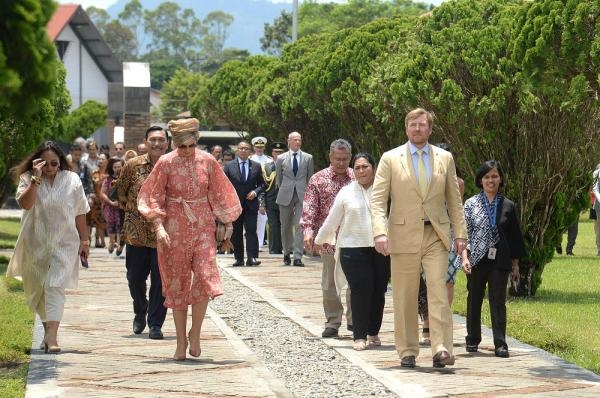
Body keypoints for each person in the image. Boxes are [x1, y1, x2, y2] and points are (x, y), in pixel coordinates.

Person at [370, 108, 467, 369]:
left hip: (435, 234)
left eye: (422, 125)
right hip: (402, 235)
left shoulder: (444, 158)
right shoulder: (390, 159)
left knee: (438, 290)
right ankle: (407, 350)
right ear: (406, 128)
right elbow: (378, 200)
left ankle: (441, 348)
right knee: (405, 295)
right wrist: (379, 231)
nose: (417, 129)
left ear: (430, 129)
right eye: (413, 124)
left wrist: (460, 234)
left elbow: (454, 201)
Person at [138, 118, 241, 360]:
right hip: (174, 226)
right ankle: (180, 342)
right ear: (174, 144)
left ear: (196, 142)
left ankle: (195, 333)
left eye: (190, 146)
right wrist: (158, 226)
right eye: (181, 146)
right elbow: (152, 195)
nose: (186, 151)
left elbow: (220, 192)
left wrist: (227, 222)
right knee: (178, 282)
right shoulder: (166, 162)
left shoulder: (207, 161)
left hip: (203, 224)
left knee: (204, 277)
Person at [7, 141, 90, 353]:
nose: (50, 167)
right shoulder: (28, 179)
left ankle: (52, 337)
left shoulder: (71, 180)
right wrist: (35, 177)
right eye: (46, 163)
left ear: (61, 162)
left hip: (65, 242)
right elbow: (25, 204)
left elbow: (80, 211)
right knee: (39, 289)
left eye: (54, 163)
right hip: (35, 242)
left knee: (55, 286)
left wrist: (85, 240)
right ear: (38, 163)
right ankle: (47, 332)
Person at [315, 153, 390, 350]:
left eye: (365, 166)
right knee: (359, 290)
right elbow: (333, 219)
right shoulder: (346, 192)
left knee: (378, 291)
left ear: (373, 168)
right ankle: (359, 335)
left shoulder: (384, 190)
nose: (361, 171)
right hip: (352, 248)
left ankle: (373, 331)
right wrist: (320, 240)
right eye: (357, 167)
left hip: (381, 248)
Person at [459, 160, 526, 358]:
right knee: (474, 299)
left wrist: (515, 266)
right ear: (480, 180)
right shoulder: (470, 204)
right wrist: (464, 257)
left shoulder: (508, 205)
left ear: (500, 179)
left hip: (500, 259)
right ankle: (472, 339)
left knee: (498, 301)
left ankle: (500, 343)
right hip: (476, 258)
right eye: (487, 177)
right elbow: (464, 233)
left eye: (495, 176)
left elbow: (515, 237)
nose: (491, 180)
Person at [116, 126, 169, 340]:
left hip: (163, 235)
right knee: (135, 278)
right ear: (146, 142)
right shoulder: (132, 165)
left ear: (167, 142)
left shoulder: (172, 165)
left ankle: (155, 323)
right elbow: (121, 193)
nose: (157, 143)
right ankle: (140, 310)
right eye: (153, 139)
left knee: (161, 280)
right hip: (136, 234)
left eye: (161, 140)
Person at [301, 139, 354, 337]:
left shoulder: (357, 177)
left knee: (354, 282)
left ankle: (354, 320)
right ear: (330, 157)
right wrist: (308, 231)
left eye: (345, 159)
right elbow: (310, 208)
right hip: (329, 240)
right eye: (337, 159)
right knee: (330, 283)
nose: (341, 163)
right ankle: (333, 321)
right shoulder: (318, 179)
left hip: (354, 239)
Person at [223, 140, 265, 266]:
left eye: (246, 149)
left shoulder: (256, 166)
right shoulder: (229, 166)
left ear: (250, 151)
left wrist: (255, 192)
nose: (243, 150)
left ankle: (252, 257)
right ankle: (239, 258)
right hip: (235, 205)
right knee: (236, 232)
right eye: (241, 148)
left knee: (251, 230)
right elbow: (224, 184)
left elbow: (262, 184)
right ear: (237, 150)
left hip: (251, 204)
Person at [276, 131, 314, 266]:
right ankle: (286, 252)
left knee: (299, 225)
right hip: (285, 194)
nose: (298, 142)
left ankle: (298, 256)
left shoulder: (308, 158)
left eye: (299, 139)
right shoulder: (281, 158)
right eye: (295, 140)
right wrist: (285, 188)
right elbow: (279, 179)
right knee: (285, 226)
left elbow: (310, 178)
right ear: (289, 141)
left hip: (302, 195)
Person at [262, 142, 286, 254]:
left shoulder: (288, 166)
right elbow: (263, 186)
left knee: (285, 224)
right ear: (272, 153)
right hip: (270, 199)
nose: (278, 154)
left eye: (281, 152)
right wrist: (261, 203)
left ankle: (286, 248)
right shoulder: (266, 167)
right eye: (276, 152)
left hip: (285, 200)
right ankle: (274, 249)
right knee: (273, 225)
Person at [250, 136, 272, 251]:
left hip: (266, 192)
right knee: (252, 220)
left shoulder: (269, 160)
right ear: (254, 147)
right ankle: (253, 242)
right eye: (257, 147)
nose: (259, 149)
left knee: (263, 219)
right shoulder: (250, 159)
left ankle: (259, 244)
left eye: (261, 147)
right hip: (253, 191)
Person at [100, 157, 124, 254]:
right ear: (112, 168)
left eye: (119, 167)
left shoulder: (125, 178)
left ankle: (119, 245)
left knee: (120, 225)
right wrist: (110, 202)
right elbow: (102, 193)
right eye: (115, 167)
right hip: (110, 206)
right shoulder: (108, 179)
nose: (117, 169)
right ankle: (111, 242)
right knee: (110, 224)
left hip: (121, 206)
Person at [88, 153, 108, 248]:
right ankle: (97, 240)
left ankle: (103, 241)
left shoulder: (109, 172)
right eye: (99, 159)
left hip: (107, 199)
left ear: (107, 160)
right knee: (96, 220)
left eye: (103, 159)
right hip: (96, 199)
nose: (100, 161)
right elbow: (95, 184)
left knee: (104, 221)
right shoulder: (95, 172)